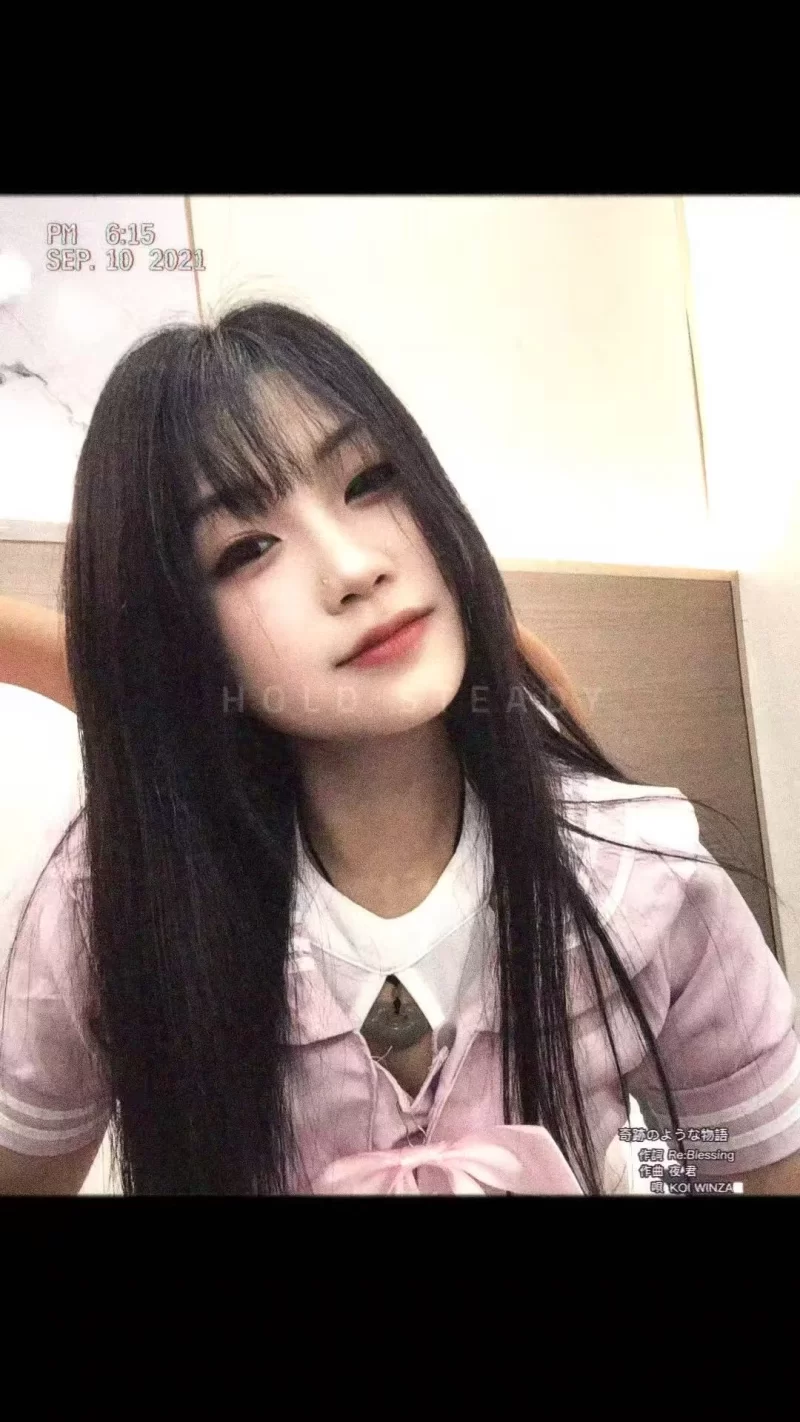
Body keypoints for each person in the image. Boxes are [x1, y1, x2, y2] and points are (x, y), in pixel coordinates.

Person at [1, 302, 798, 1196]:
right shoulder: (105, 905)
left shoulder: (640, 872)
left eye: (371, 480)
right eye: (248, 547)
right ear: (173, 634)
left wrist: (643, 1173)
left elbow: (757, 1168)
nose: (353, 568)